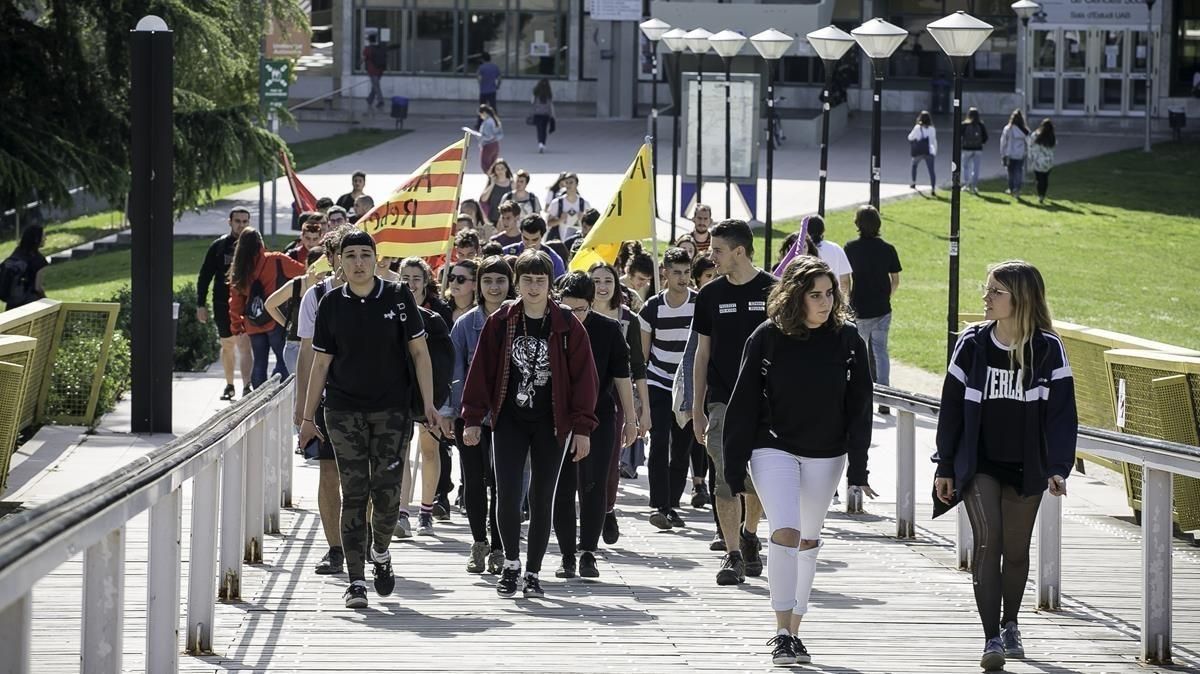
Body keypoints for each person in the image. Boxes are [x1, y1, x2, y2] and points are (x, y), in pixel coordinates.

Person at [723, 255, 875, 666]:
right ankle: (779, 632)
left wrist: (858, 469)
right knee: (786, 532)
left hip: (827, 453)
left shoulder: (848, 341)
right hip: (772, 446)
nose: (825, 302)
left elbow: (861, 407)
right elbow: (743, 404)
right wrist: (733, 466)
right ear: (795, 297)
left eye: (829, 294)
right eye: (815, 295)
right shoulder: (766, 337)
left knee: (808, 540)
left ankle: (795, 630)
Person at [934, 260, 1077, 672]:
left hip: (1027, 465)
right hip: (979, 463)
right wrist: (946, 464)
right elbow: (951, 409)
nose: (986, 296)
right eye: (987, 289)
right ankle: (990, 637)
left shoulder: (1048, 348)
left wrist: (1058, 466)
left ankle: (1010, 622)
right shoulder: (972, 343)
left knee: (1015, 551)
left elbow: (1063, 414)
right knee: (988, 541)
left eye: (995, 291)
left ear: (1021, 299)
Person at [297, 230, 441, 609]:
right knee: (355, 492)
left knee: (388, 493)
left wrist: (428, 404)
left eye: (365, 255)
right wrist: (308, 416)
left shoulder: (397, 296)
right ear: (339, 262)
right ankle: (356, 579)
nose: (358, 262)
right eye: (351, 256)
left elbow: (420, 353)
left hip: (391, 409)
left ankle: (381, 552)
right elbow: (321, 362)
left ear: (376, 259)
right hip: (343, 409)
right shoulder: (330, 303)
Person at [461, 249, 599, 599]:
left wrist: (582, 428)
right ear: (516, 283)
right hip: (509, 419)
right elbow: (481, 371)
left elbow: (585, 379)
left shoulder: (568, 324)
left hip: (553, 423)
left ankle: (534, 572)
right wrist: (473, 418)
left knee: (542, 497)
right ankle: (510, 564)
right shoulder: (502, 321)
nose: (534, 287)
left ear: (550, 283)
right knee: (506, 495)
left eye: (540, 280)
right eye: (527, 280)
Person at [691, 219, 772, 586]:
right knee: (724, 477)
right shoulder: (710, 294)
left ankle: (750, 533)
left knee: (759, 479)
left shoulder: (774, 290)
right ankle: (733, 553)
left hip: (768, 403)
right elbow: (701, 354)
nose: (712, 256)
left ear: (739, 251)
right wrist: (696, 407)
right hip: (722, 401)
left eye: (718, 250)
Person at [553, 272, 638, 579]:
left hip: (600, 415)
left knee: (594, 483)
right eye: (567, 309)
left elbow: (621, 376)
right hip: (558, 418)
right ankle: (565, 555)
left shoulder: (609, 329)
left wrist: (631, 418)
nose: (573, 316)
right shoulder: (552, 326)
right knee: (561, 487)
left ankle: (588, 550)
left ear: (592, 304)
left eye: (580, 310)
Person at [442, 255, 513, 575]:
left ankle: (500, 546)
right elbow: (454, 372)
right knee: (473, 480)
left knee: (503, 482)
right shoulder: (464, 324)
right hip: (469, 415)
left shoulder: (519, 319)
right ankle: (479, 542)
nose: (494, 287)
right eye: (488, 281)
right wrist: (450, 411)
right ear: (478, 285)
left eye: (500, 280)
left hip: (510, 416)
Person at [294, 226, 354, 576]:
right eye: (343, 254)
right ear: (330, 258)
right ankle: (335, 548)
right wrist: (303, 409)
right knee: (329, 472)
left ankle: (362, 544)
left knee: (364, 478)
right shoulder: (315, 297)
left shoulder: (381, 295)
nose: (351, 262)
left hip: (369, 397)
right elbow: (305, 355)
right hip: (327, 397)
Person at [639, 248, 698, 530]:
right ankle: (658, 505)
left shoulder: (700, 304)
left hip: (688, 385)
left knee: (682, 447)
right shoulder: (652, 307)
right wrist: (641, 395)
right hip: (659, 381)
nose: (683, 278)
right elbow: (642, 354)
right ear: (664, 272)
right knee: (660, 441)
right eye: (677, 272)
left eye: (687, 272)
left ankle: (673, 505)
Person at [395, 257, 453, 536]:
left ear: (426, 282)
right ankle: (403, 512)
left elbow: (444, 362)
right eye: (405, 278)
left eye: (416, 278)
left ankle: (426, 512)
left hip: (430, 392)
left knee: (429, 450)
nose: (411, 284)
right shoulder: (388, 313)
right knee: (402, 452)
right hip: (398, 393)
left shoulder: (437, 317)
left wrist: (437, 402)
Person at [590, 262, 651, 521]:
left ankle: (606, 509)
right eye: (596, 281)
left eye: (608, 281)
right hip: (580, 393)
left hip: (616, 396)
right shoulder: (575, 314)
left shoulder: (629, 319)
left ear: (617, 285)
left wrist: (643, 411)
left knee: (610, 458)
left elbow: (638, 367)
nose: (602, 287)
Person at [227, 227, 305, 389]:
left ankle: (258, 399)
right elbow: (303, 272)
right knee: (282, 359)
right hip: (275, 318)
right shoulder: (276, 259)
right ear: (260, 242)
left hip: (253, 322)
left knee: (259, 362)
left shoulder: (239, 267)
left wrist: (237, 327)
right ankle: (278, 394)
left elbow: (235, 301)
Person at [843, 205, 902, 416]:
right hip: (882, 308)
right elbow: (895, 279)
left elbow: (846, 280)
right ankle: (885, 397)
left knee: (859, 354)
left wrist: (846, 301)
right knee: (881, 352)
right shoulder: (888, 248)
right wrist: (888, 295)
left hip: (859, 308)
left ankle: (862, 397)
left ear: (857, 224)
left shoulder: (850, 248)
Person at [197, 208, 253, 399]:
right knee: (228, 344)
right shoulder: (219, 246)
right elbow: (204, 276)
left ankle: (247, 386)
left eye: (245, 221)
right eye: (237, 221)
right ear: (230, 222)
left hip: (247, 302)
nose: (241, 225)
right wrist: (200, 304)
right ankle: (230, 385)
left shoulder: (254, 245)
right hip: (222, 302)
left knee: (246, 344)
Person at [266, 246, 327, 377]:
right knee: (299, 390)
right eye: (315, 268)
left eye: (324, 269)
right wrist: (287, 324)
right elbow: (269, 305)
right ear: (307, 265)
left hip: (321, 348)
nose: (319, 274)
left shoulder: (329, 285)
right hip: (296, 345)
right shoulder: (296, 285)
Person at [501, 214, 567, 279]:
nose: (530, 243)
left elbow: (559, 286)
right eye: (526, 238)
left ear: (542, 236)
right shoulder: (506, 252)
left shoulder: (554, 260)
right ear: (521, 233)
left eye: (534, 239)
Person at [806, 216, 852, 293]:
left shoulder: (803, 250)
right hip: (833, 297)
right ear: (823, 230)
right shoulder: (835, 248)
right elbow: (845, 281)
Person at [544, 173, 588, 241]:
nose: (568, 185)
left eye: (571, 182)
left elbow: (592, 224)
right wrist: (560, 220)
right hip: (561, 241)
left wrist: (583, 219)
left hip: (579, 241)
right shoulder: (557, 203)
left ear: (576, 184)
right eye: (566, 182)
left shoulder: (584, 203)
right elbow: (549, 223)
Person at [1000, 109, 1030, 199]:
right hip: (1020, 154)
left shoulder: (1008, 129)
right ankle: (1017, 188)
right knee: (1018, 172)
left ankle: (1011, 188)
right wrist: (1026, 152)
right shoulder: (1024, 130)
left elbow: (1003, 142)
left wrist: (1003, 153)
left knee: (1010, 172)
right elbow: (1028, 142)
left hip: (1009, 154)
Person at [907, 110, 938, 194]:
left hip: (918, 151)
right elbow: (933, 141)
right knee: (931, 171)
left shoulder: (917, 128)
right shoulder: (932, 129)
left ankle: (913, 182)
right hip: (929, 151)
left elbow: (910, 137)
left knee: (914, 165)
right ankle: (933, 188)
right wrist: (934, 151)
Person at [1028, 118, 1057, 205]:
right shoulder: (1052, 137)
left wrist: (1031, 158)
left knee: (1039, 178)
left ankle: (1040, 195)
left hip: (1038, 161)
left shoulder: (1036, 135)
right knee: (1045, 178)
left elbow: (1030, 146)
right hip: (1048, 162)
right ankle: (1043, 194)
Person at [962, 107, 989, 195]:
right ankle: (974, 186)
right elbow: (985, 137)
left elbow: (959, 135)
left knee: (966, 167)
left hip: (967, 149)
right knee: (976, 168)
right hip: (978, 149)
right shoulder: (981, 125)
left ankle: (966, 184)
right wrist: (982, 143)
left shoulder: (965, 124)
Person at [479, 159, 514, 225]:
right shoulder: (491, 182)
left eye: (502, 168)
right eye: (497, 169)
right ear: (494, 171)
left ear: (506, 169)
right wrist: (492, 184)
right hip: (493, 218)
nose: (500, 171)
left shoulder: (511, 183)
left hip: (508, 218)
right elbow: (483, 199)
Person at [363, 35, 387, 109]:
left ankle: (381, 101)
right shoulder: (379, 48)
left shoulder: (367, 49)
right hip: (380, 70)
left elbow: (363, 58)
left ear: (369, 41)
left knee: (376, 86)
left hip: (372, 70)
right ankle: (370, 99)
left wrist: (359, 63)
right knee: (375, 85)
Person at [531, 78, 555, 153]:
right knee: (544, 130)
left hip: (537, 113)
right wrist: (553, 115)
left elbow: (532, 101)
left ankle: (540, 143)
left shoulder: (536, 92)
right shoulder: (549, 93)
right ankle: (543, 144)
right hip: (546, 114)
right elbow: (551, 105)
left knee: (539, 129)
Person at [478, 105, 503, 175]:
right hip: (495, 145)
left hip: (488, 146)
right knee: (492, 167)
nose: (480, 117)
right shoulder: (495, 120)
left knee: (486, 167)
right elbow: (500, 134)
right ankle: (492, 181)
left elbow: (488, 136)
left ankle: (492, 181)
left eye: (480, 114)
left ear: (484, 113)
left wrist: (479, 136)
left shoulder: (487, 122)